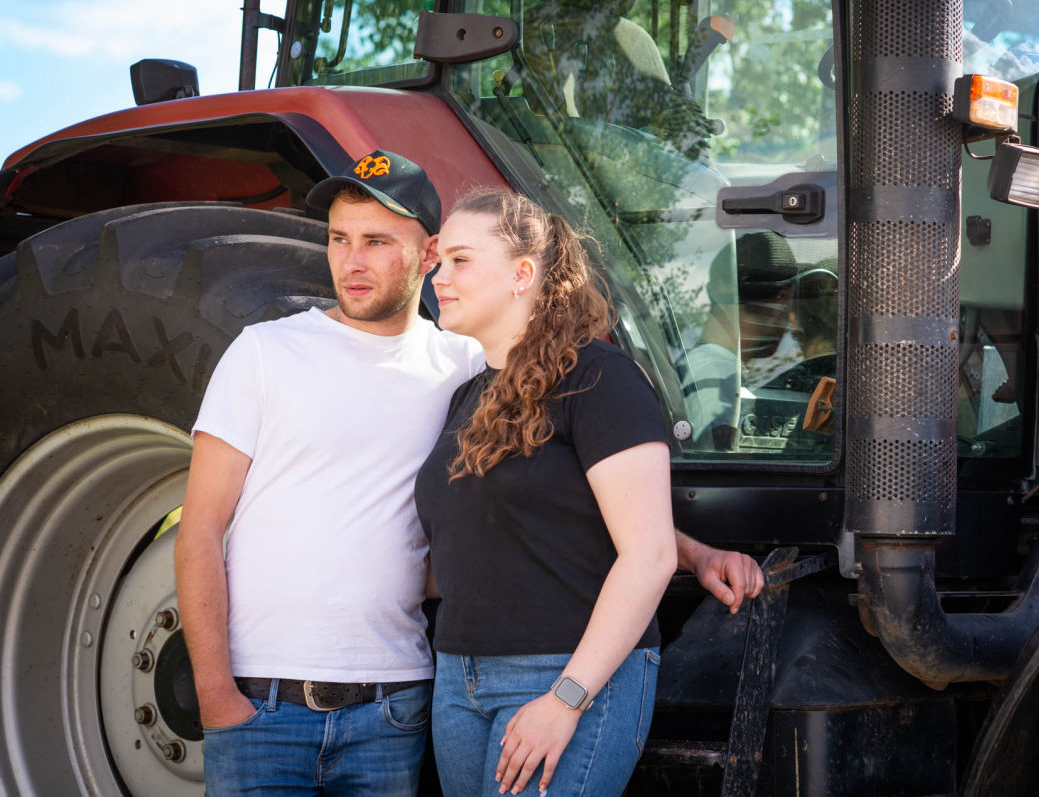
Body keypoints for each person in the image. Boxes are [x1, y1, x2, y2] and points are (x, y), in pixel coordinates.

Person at [176, 153, 763, 795]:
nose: (352, 261)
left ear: (430, 255)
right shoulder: (296, 356)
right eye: (339, 240)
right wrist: (214, 696)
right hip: (359, 694)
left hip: (416, 697)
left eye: (377, 242)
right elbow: (200, 527)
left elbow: (609, 519)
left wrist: (688, 553)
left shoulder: (489, 366)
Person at [415, 190, 675, 796]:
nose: (439, 278)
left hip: (566, 676)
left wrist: (567, 698)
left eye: (460, 261)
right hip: (460, 680)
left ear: (523, 274)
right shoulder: (468, 395)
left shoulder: (600, 378)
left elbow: (650, 554)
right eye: (438, 263)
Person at [676, 231, 798, 449]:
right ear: (776, 305)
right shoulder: (717, 376)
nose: (790, 322)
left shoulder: (702, 368)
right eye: (787, 304)